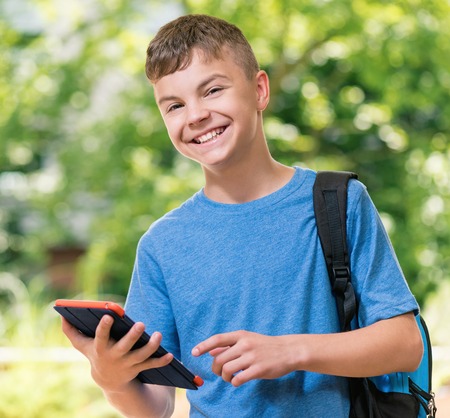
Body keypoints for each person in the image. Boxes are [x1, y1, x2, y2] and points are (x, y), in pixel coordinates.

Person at [62, 14, 424, 418]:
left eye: (213, 90)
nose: (195, 115)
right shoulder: (162, 245)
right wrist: (111, 378)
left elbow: (405, 345)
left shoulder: (339, 202)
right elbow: (156, 407)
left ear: (259, 90)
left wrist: (290, 350)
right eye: (175, 105)